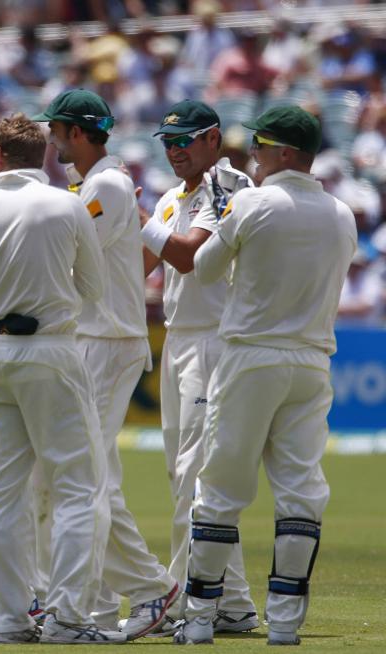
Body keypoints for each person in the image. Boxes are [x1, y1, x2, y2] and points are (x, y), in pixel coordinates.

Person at [0, 113, 126, 644]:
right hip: (51, 351)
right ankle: (67, 618)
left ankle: (9, 620)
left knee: (1, 495)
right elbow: (93, 287)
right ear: (41, 153)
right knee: (79, 489)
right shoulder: (67, 204)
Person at [177, 106, 357, 646]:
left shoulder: (252, 202)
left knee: (220, 489)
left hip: (251, 357)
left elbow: (204, 269)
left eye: (257, 149)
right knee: (301, 491)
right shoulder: (342, 213)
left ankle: (201, 619)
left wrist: (224, 209)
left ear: (280, 152)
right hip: (310, 362)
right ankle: (283, 624)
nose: (251, 159)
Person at [33, 88, 178, 640]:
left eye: (57, 131)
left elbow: (69, 257)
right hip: (94, 337)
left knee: (83, 477)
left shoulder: (110, 186)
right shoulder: (96, 185)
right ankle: (95, 602)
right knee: (82, 476)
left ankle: (151, 589)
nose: (51, 141)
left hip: (107, 340)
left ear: (75, 131)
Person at [139, 99, 259, 636]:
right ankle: (232, 603)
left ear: (213, 138)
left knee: (194, 474)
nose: (175, 150)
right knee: (181, 474)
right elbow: (141, 264)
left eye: (185, 139)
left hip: (216, 342)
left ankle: (185, 598)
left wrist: (131, 215)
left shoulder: (228, 187)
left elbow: (190, 257)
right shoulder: (170, 197)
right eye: (168, 142)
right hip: (179, 340)